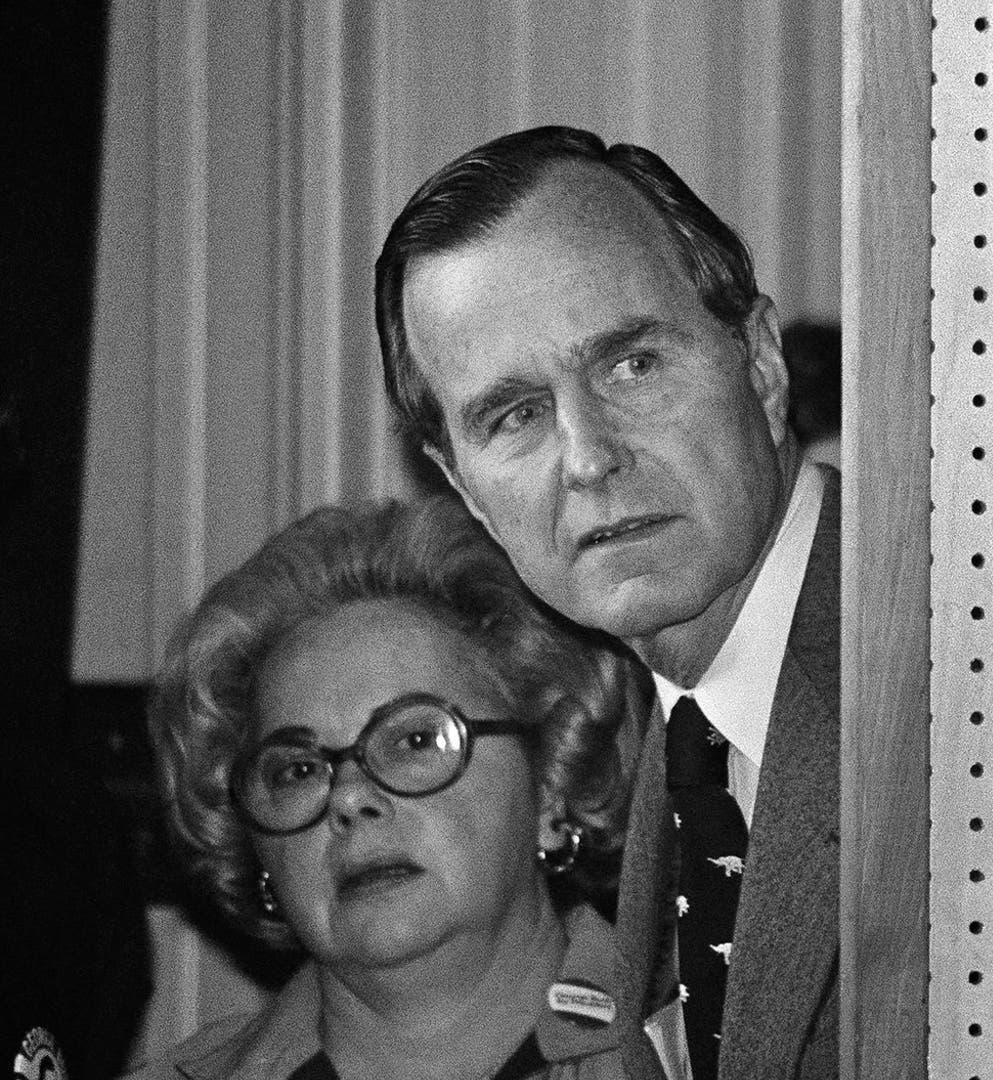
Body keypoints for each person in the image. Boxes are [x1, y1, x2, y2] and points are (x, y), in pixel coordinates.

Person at [375, 127, 837, 1080]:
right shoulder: (680, 743)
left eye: (632, 365)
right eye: (515, 416)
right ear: (464, 493)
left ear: (758, 360)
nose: (589, 457)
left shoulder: (968, 654)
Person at [128, 498, 667, 1080]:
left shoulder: (703, 1053)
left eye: (414, 741)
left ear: (551, 788)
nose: (349, 798)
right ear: (257, 850)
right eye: (297, 771)